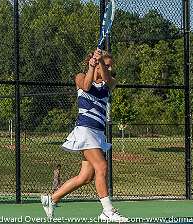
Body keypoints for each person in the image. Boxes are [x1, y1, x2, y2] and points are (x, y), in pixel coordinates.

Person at [41, 49, 127, 222]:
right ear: (92, 65)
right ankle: (107, 211)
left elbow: (109, 80)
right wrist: (91, 66)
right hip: (85, 131)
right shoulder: (80, 77)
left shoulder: (109, 84)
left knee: (85, 177)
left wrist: (100, 62)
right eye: (107, 66)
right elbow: (86, 86)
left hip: (98, 134)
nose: (109, 69)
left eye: (109, 66)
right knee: (101, 167)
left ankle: (52, 199)